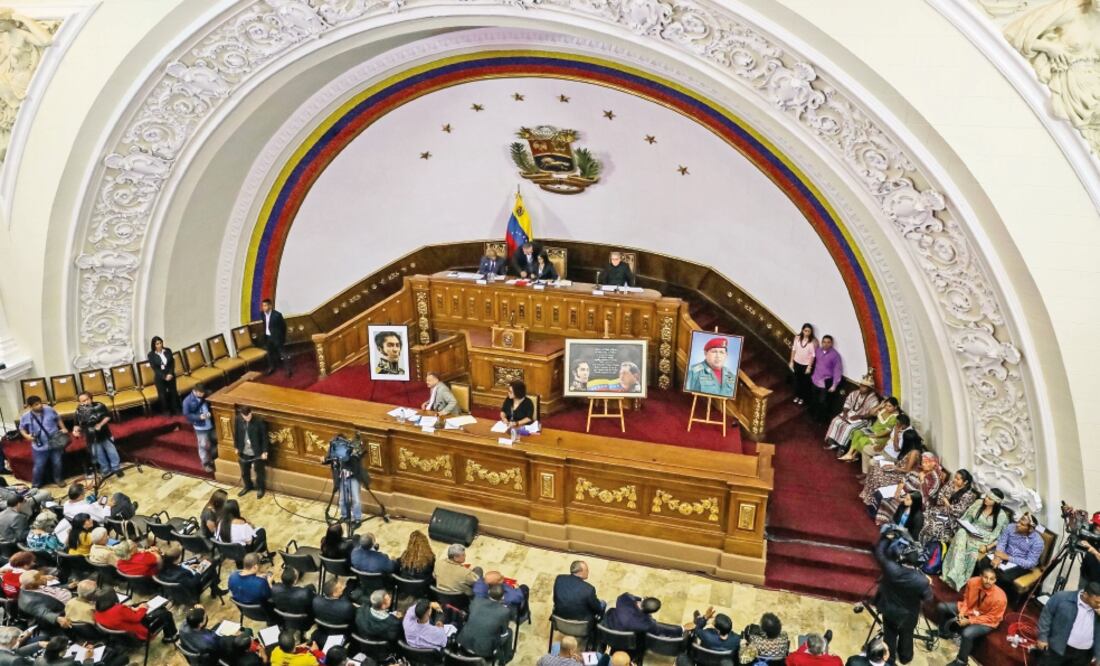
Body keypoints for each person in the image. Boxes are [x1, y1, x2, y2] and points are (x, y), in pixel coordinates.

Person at [872, 527, 932, 665]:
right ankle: (905, 657)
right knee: (907, 634)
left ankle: (890, 659)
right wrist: (926, 583)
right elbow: (928, 597)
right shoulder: (921, 580)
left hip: (890, 609)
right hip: (908, 615)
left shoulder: (891, 569)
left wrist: (886, 538)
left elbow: (880, 553)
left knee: (890, 634)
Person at [936, 568, 1006, 666]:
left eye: (991, 579)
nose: (988, 581)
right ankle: (944, 633)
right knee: (942, 607)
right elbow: (966, 600)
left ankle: (961, 661)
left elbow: (992, 618)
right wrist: (962, 612)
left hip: (987, 621)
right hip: (971, 610)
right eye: (985, 577)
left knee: (967, 633)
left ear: (995, 580)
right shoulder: (972, 582)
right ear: (981, 576)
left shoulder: (1000, 598)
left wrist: (969, 621)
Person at [941, 490, 1009, 591]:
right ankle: (954, 574)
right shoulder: (978, 503)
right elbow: (967, 518)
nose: (986, 499)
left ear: (996, 502)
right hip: (970, 531)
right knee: (961, 533)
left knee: (971, 552)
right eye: (986, 496)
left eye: (990, 498)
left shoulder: (1001, 516)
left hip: (984, 539)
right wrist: (966, 525)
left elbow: (1002, 537)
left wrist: (987, 547)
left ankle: (955, 576)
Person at [1035, 582, 1100, 666]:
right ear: (1086, 595)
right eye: (1096, 602)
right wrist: (1042, 637)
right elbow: (1047, 615)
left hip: (1083, 655)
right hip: (1058, 649)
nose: (1099, 604)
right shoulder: (1062, 598)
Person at [988, 512, 1045, 599]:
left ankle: (996, 598)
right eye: (1019, 521)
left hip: (1020, 563)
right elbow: (1002, 542)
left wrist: (1008, 558)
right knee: (986, 562)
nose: (1017, 524)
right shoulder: (1011, 527)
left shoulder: (1038, 542)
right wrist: (997, 557)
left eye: (1022, 524)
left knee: (1003, 577)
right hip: (1004, 555)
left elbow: (1030, 563)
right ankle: (984, 591)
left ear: (1030, 529)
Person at [18, 396, 69, 489]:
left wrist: (63, 428)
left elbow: (58, 418)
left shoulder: (49, 409)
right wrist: (27, 436)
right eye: (36, 405)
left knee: (57, 463)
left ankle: (58, 479)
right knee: (39, 466)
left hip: (55, 443)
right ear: (30, 407)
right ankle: (36, 485)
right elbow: (21, 429)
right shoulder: (25, 416)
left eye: (40, 403)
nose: (40, 405)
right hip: (39, 447)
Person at [457, 583, 513, 662]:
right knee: (509, 632)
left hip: (464, 642)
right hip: (484, 651)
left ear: (488, 592)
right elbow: (503, 633)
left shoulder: (476, 601)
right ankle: (506, 658)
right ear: (503, 597)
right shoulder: (504, 611)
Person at [919, 469, 978, 544]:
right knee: (923, 516)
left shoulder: (969, 495)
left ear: (965, 482)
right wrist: (946, 503)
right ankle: (921, 543)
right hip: (940, 509)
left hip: (952, 518)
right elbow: (941, 494)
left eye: (958, 479)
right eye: (955, 477)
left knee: (933, 525)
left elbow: (959, 511)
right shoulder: (951, 483)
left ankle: (930, 547)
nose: (955, 480)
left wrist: (946, 502)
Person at [825, 372, 880, 451]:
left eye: (864, 387)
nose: (861, 388)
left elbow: (872, 414)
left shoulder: (873, 399)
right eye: (861, 385)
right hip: (850, 413)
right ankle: (833, 443)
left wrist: (860, 416)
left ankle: (842, 448)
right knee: (836, 420)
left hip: (864, 419)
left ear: (870, 389)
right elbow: (847, 403)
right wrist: (844, 414)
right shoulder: (855, 393)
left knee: (849, 428)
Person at [73, 392, 123, 479]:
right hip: (91, 437)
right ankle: (106, 470)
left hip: (104, 434)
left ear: (91, 398)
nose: (84, 403)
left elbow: (107, 417)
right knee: (99, 455)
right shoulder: (78, 411)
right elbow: (76, 424)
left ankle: (116, 468)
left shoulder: (100, 406)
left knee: (112, 452)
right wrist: (75, 430)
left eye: (86, 400)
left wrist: (100, 424)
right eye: (81, 401)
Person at [604, 593, 692, 637]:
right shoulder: (648, 624)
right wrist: (682, 629)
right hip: (624, 638)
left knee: (610, 602)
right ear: (651, 612)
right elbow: (662, 629)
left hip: (607, 624)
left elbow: (630, 597)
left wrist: (640, 599)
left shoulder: (624, 599)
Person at [157, 543, 221, 600]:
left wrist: (188, 567)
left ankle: (216, 589)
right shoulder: (182, 573)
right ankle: (216, 589)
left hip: (175, 591)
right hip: (190, 591)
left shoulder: (162, 568)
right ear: (176, 560)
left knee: (205, 564)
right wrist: (199, 572)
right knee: (212, 566)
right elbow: (193, 583)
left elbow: (178, 570)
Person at [233, 406, 268, 498]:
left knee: (259, 471)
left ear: (251, 413)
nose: (247, 418)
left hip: (257, 452)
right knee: (244, 471)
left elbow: (264, 438)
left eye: (249, 416)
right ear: (242, 415)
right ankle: (248, 486)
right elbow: (236, 433)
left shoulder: (259, 421)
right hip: (244, 450)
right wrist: (236, 446)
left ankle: (260, 488)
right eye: (245, 417)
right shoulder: (238, 419)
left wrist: (265, 451)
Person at [808, 335, 843, 422]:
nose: (826, 344)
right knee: (814, 399)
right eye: (824, 342)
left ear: (831, 344)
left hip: (825, 383)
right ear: (821, 342)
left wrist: (834, 385)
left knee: (822, 402)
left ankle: (820, 419)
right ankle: (812, 415)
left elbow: (837, 371)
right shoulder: (818, 350)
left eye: (828, 342)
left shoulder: (835, 355)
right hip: (815, 379)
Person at [182, 384, 216, 474]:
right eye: (201, 393)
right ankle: (206, 463)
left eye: (203, 392)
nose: (202, 394)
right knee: (203, 445)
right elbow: (187, 415)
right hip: (200, 426)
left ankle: (214, 460)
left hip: (211, 423)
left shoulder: (206, 395)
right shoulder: (187, 401)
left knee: (214, 442)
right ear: (194, 391)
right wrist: (199, 417)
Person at [311, 578, 355, 643]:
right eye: (340, 587)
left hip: (323, 629)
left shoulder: (316, 601)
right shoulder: (346, 607)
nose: (343, 588)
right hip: (340, 634)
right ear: (334, 594)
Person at [147, 336, 180, 415]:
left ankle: (176, 410)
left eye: (160, 343)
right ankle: (166, 411)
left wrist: (170, 373)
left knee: (173, 392)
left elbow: (172, 363)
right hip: (160, 378)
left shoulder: (168, 350)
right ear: (154, 345)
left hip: (170, 375)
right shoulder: (151, 355)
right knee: (162, 395)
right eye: (157, 344)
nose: (159, 345)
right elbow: (155, 368)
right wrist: (164, 376)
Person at [789, 324, 817, 406]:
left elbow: (813, 355)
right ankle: (796, 396)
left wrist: (809, 367)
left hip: (805, 365)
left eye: (808, 331)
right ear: (802, 330)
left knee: (803, 383)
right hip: (796, 362)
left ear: (811, 332)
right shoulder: (797, 338)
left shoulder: (812, 342)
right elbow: (793, 349)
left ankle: (801, 397)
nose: (806, 333)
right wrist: (791, 361)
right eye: (805, 331)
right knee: (796, 381)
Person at [260, 298, 290, 377]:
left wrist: (282, 337)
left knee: (283, 353)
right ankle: (272, 367)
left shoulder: (277, 315)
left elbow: (283, 327)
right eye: (263, 306)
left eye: (265, 305)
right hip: (268, 337)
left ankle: (288, 370)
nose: (264, 307)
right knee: (269, 354)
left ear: (270, 306)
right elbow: (265, 325)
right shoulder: (262, 314)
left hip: (277, 338)